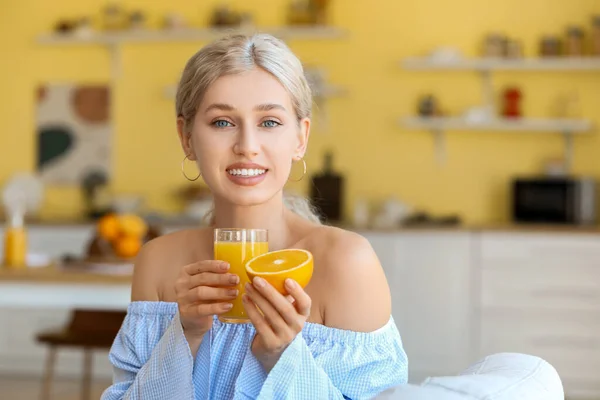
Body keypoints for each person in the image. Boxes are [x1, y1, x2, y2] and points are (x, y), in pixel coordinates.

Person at [101, 33, 407, 400]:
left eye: (270, 122)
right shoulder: (159, 262)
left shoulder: (345, 263)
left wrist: (282, 357)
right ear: (186, 137)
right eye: (222, 122)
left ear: (300, 138)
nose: (247, 146)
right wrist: (184, 336)